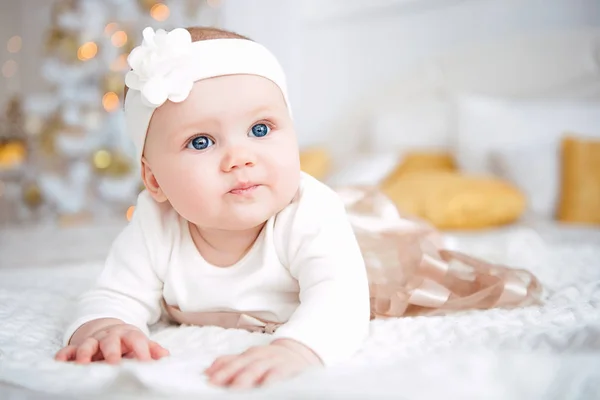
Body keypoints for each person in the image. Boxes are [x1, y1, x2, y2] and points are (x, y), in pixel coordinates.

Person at [55, 26, 542, 390]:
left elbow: (339, 299)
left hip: (366, 264)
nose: (240, 156)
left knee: (418, 259)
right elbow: (114, 293)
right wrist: (106, 325)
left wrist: (299, 345)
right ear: (155, 180)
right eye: (201, 141)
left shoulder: (308, 211)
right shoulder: (154, 225)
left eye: (261, 130)